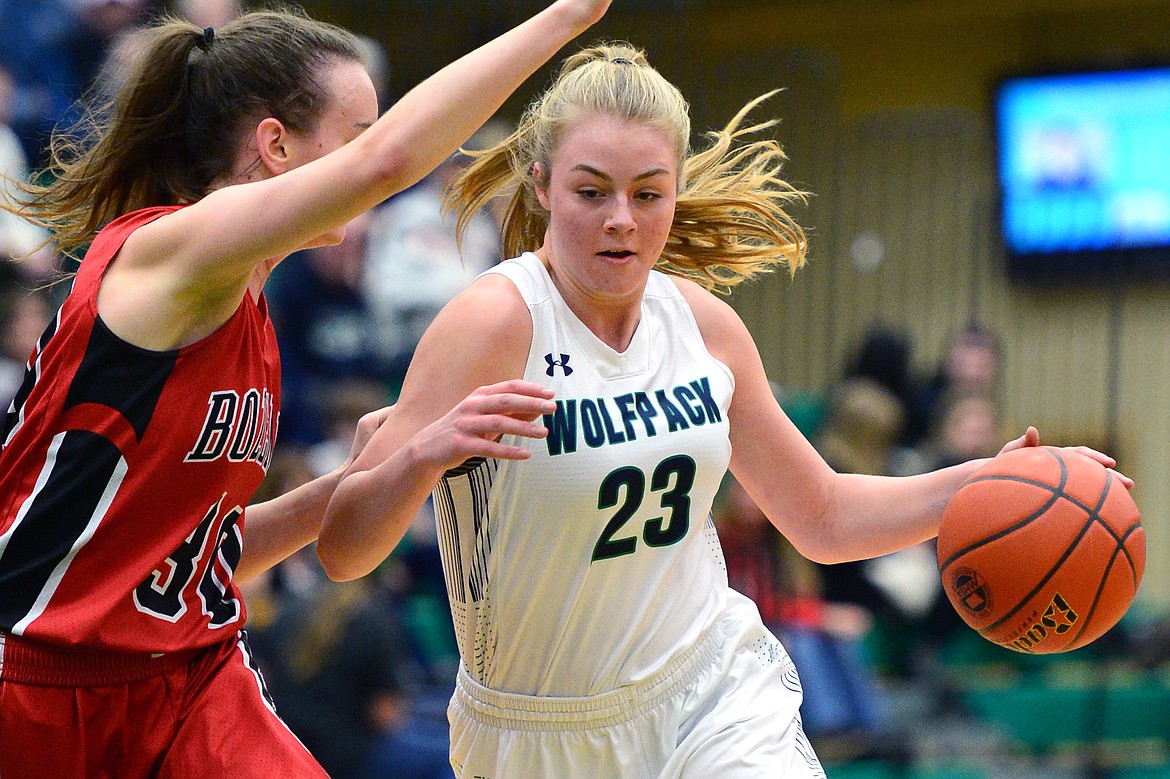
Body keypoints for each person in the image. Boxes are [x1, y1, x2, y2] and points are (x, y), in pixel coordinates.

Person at [317, 42, 1130, 778]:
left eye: (648, 193)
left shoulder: (702, 326)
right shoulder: (492, 323)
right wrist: (423, 455)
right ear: (542, 184)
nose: (621, 219)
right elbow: (344, 550)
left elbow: (822, 513)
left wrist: (990, 481)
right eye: (591, 191)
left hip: (707, 690)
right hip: (536, 735)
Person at [0, 2, 612, 776]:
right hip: (38, 676)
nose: (373, 176)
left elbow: (193, 559)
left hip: (190, 670)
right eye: (355, 134)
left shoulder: (251, 308)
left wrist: (360, 481)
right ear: (275, 144)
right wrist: (563, 18)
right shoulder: (171, 253)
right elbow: (386, 164)